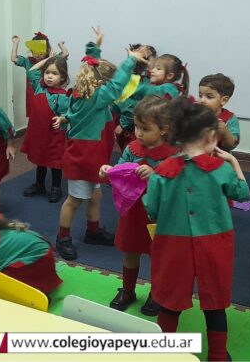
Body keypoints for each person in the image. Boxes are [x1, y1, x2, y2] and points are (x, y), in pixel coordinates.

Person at [143, 96, 249, 361]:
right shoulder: (221, 169)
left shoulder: (161, 171)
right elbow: (242, 193)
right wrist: (234, 162)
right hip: (214, 241)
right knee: (215, 300)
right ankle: (218, 355)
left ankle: (165, 353)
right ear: (212, 136)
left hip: (172, 242)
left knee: (169, 299)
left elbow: (151, 208)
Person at [53, 27, 148, 261]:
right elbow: (117, 85)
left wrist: (95, 46)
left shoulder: (86, 93)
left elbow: (91, 65)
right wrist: (131, 61)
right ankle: (62, 237)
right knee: (74, 200)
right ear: (101, 83)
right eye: (108, 83)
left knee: (95, 195)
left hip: (93, 157)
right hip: (83, 157)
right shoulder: (95, 98)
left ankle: (93, 231)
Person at [100, 96, 176, 316]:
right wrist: (107, 171)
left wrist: (155, 175)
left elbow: (178, 184)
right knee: (130, 251)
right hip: (133, 211)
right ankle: (128, 290)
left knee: (157, 256)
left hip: (158, 214)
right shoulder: (132, 149)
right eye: (136, 127)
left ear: (164, 129)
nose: (139, 133)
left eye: (145, 128)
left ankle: (156, 293)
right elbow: (119, 171)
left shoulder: (173, 154)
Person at [19, 53, 70, 203]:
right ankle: (39, 184)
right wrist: (48, 60)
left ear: (62, 77)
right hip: (39, 133)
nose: (49, 76)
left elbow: (66, 115)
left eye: (54, 73)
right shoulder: (39, 87)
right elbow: (32, 71)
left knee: (55, 162)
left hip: (54, 135)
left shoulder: (63, 96)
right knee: (40, 159)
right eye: (47, 72)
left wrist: (61, 120)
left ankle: (56, 187)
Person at [111, 43, 157, 151]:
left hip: (130, 124)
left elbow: (135, 105)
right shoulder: (134, 79)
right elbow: (125, 101)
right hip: (122, 119)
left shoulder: (143, 81)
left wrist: (123, 124)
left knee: (132, 149)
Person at [197, 74, 240, 151]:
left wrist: (224, 132)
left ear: (224, 100)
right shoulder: (195, 114)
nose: (202, 100)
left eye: (209, 97)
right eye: (200, 95)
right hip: (195, 155)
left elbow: (231, 145)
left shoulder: (230, 119)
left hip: (218, 156)